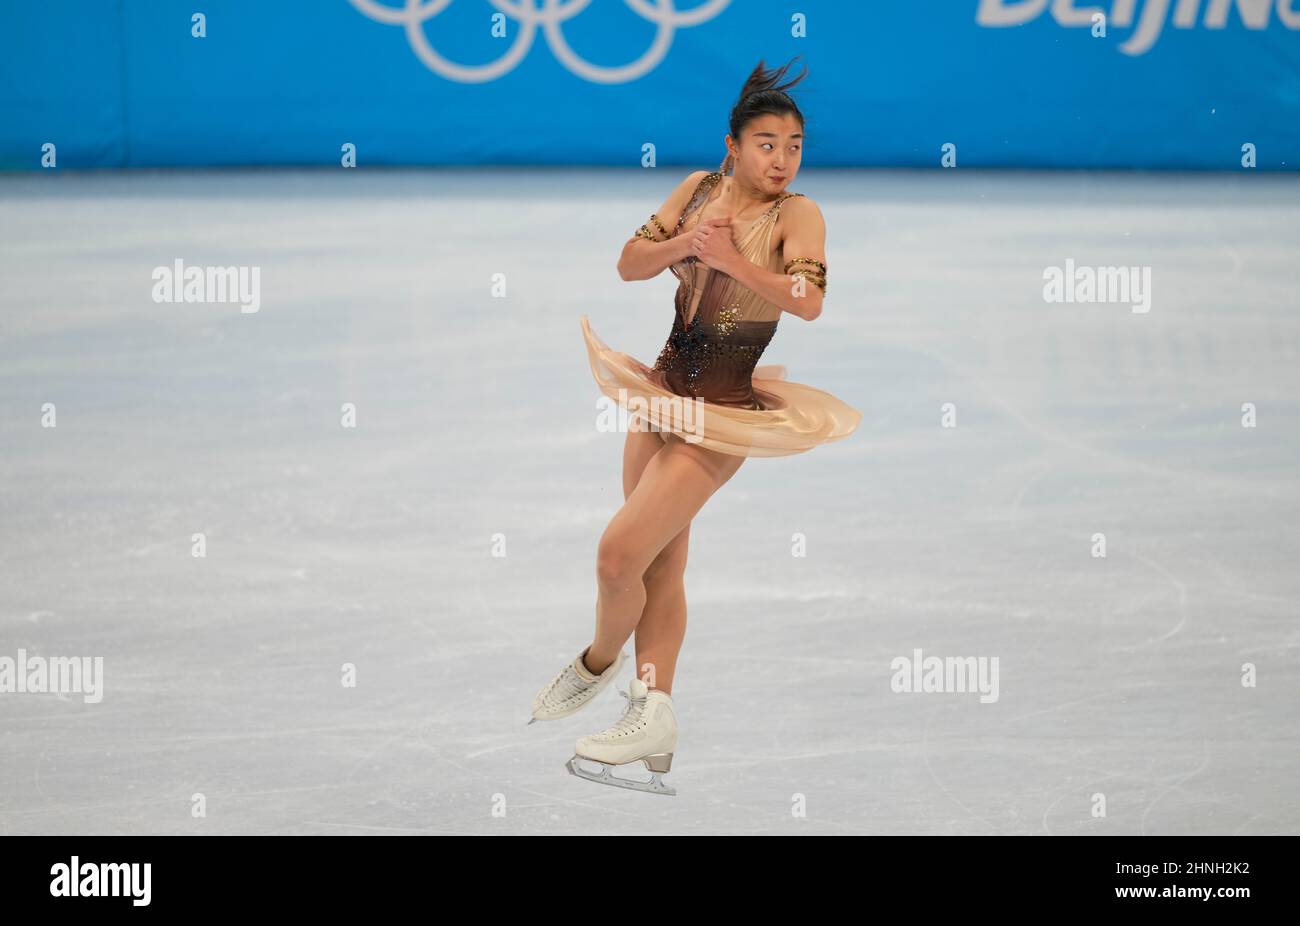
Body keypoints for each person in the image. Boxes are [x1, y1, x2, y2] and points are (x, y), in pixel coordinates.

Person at [529, 56, 862, 795]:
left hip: (723, 415)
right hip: (660, 392)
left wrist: (731, 260)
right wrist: (688, 244)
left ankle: (597, 663)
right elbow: (628, 264)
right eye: (767, 143)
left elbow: (806, 303)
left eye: (795, 145)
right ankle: (652, 715)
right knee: (657, 567)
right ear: (733, 147)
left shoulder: (800, 215)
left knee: (617, 557)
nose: (782, 158)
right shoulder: (698, 190)